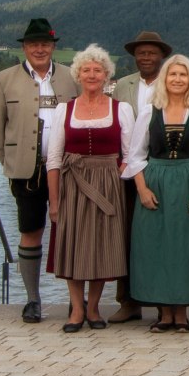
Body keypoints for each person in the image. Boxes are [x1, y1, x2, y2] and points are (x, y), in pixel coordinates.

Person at [0, 18, 78, 324]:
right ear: (24, 47)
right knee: (30, 231)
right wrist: (12, 161)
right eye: (33, 44)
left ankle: (76, 301)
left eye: (45, 44)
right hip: (26, 172)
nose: (40, 49)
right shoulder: (3, 79)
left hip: (68, 170)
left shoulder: (71, 77)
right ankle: (33, 299)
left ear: (53, 46)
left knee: (71, 232)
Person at [124, 54, 189, 332]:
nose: (177, 80)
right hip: (154, 181)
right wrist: (141, 189)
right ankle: (164, 313)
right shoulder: (149, 110)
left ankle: (182, 313)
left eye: (183, 75)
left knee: (184, 247)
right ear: (164, 79)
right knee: (155, 247)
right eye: (172, 75)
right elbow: (135, 155)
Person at [44, 44, 135, 333]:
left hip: (108, 186)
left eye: (98, 70)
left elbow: (132, 154)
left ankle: (94, 307)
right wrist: (54, 201)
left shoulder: (121, 109)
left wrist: (115, 171)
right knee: (72, 244)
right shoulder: (64, 109)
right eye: (87, 70)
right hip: (73, 184)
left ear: (107, 75)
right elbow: (54, 158)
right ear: (78, 75)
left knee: (100, 246)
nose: (92, 74)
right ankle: (77, 309)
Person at [109, 30, 172, 324]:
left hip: (161, 168)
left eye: (151, 53)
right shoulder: (122, 85)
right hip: (127, 171)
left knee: (160, 237)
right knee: (127, 237)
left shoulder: (173, 82)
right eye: (141, 53)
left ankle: (163, 302)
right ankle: (128, 301)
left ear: (162, 56)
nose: (146, 57)